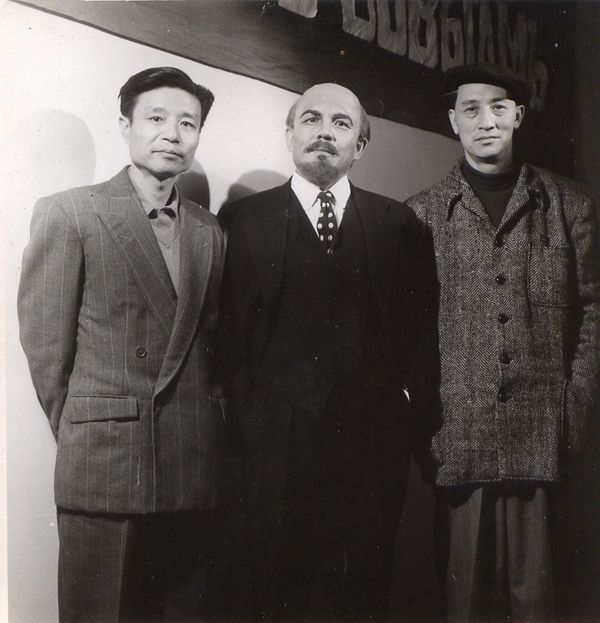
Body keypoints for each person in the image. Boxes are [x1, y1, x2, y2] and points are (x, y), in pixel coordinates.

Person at [218, 83, 440, 621]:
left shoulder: (399, 224)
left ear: (359, 146)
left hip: (372, 443)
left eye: (341, 124)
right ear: (289, 134)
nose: (324, 132)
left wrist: (404, 415)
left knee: (364, 587)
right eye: (311, 119)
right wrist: (250, 417)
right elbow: (226, 336)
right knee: (275, 591)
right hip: (273, 445)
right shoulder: (241, 219)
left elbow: (420, 335)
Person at [18, 67, 227, 623]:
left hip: (189, 465)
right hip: (105, 466)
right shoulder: (70, 212)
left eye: (188, 123)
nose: (172, 134)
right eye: (156, 118)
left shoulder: (209, 230)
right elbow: (46, 353)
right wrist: (95, 428)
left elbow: (208, 349)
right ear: (125, 126)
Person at [407, 63, 600, 623]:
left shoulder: (570, 205)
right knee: (464, 602)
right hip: (458, 438)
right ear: (453, 121)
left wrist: (576, 405)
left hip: (544, 436)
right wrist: (427, 427)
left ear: (517, 115)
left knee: (537, 602)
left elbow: (594, 310)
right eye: (471, 109)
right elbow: (409, 335)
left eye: (498, 107)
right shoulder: (420, 215)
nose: (485, 121)